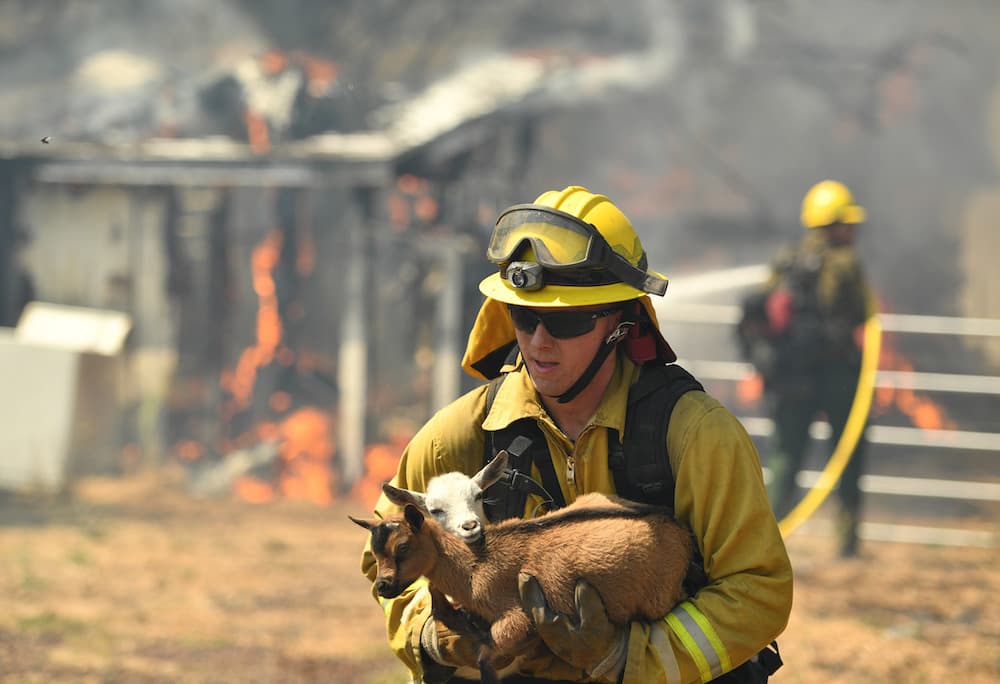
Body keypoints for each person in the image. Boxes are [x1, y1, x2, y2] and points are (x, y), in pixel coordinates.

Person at [360, 186, 793, 683]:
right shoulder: (459, 435)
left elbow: (759, 588)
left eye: (565, 321)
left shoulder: (695, 436)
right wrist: (437, 634)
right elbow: (384, 555)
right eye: (524, 316)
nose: (539, 341)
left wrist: (631, 660)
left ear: (619, 322)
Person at [750, 179, 876, 558]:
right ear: (834, 225)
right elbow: (862, 313)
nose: (853, 231)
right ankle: (847, 544)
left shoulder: (787, 260)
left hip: (791, 380)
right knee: (847, 457)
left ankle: (765, 543)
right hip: (838, 376)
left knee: (785, 459)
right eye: (848, 224)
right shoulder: (845, 263)